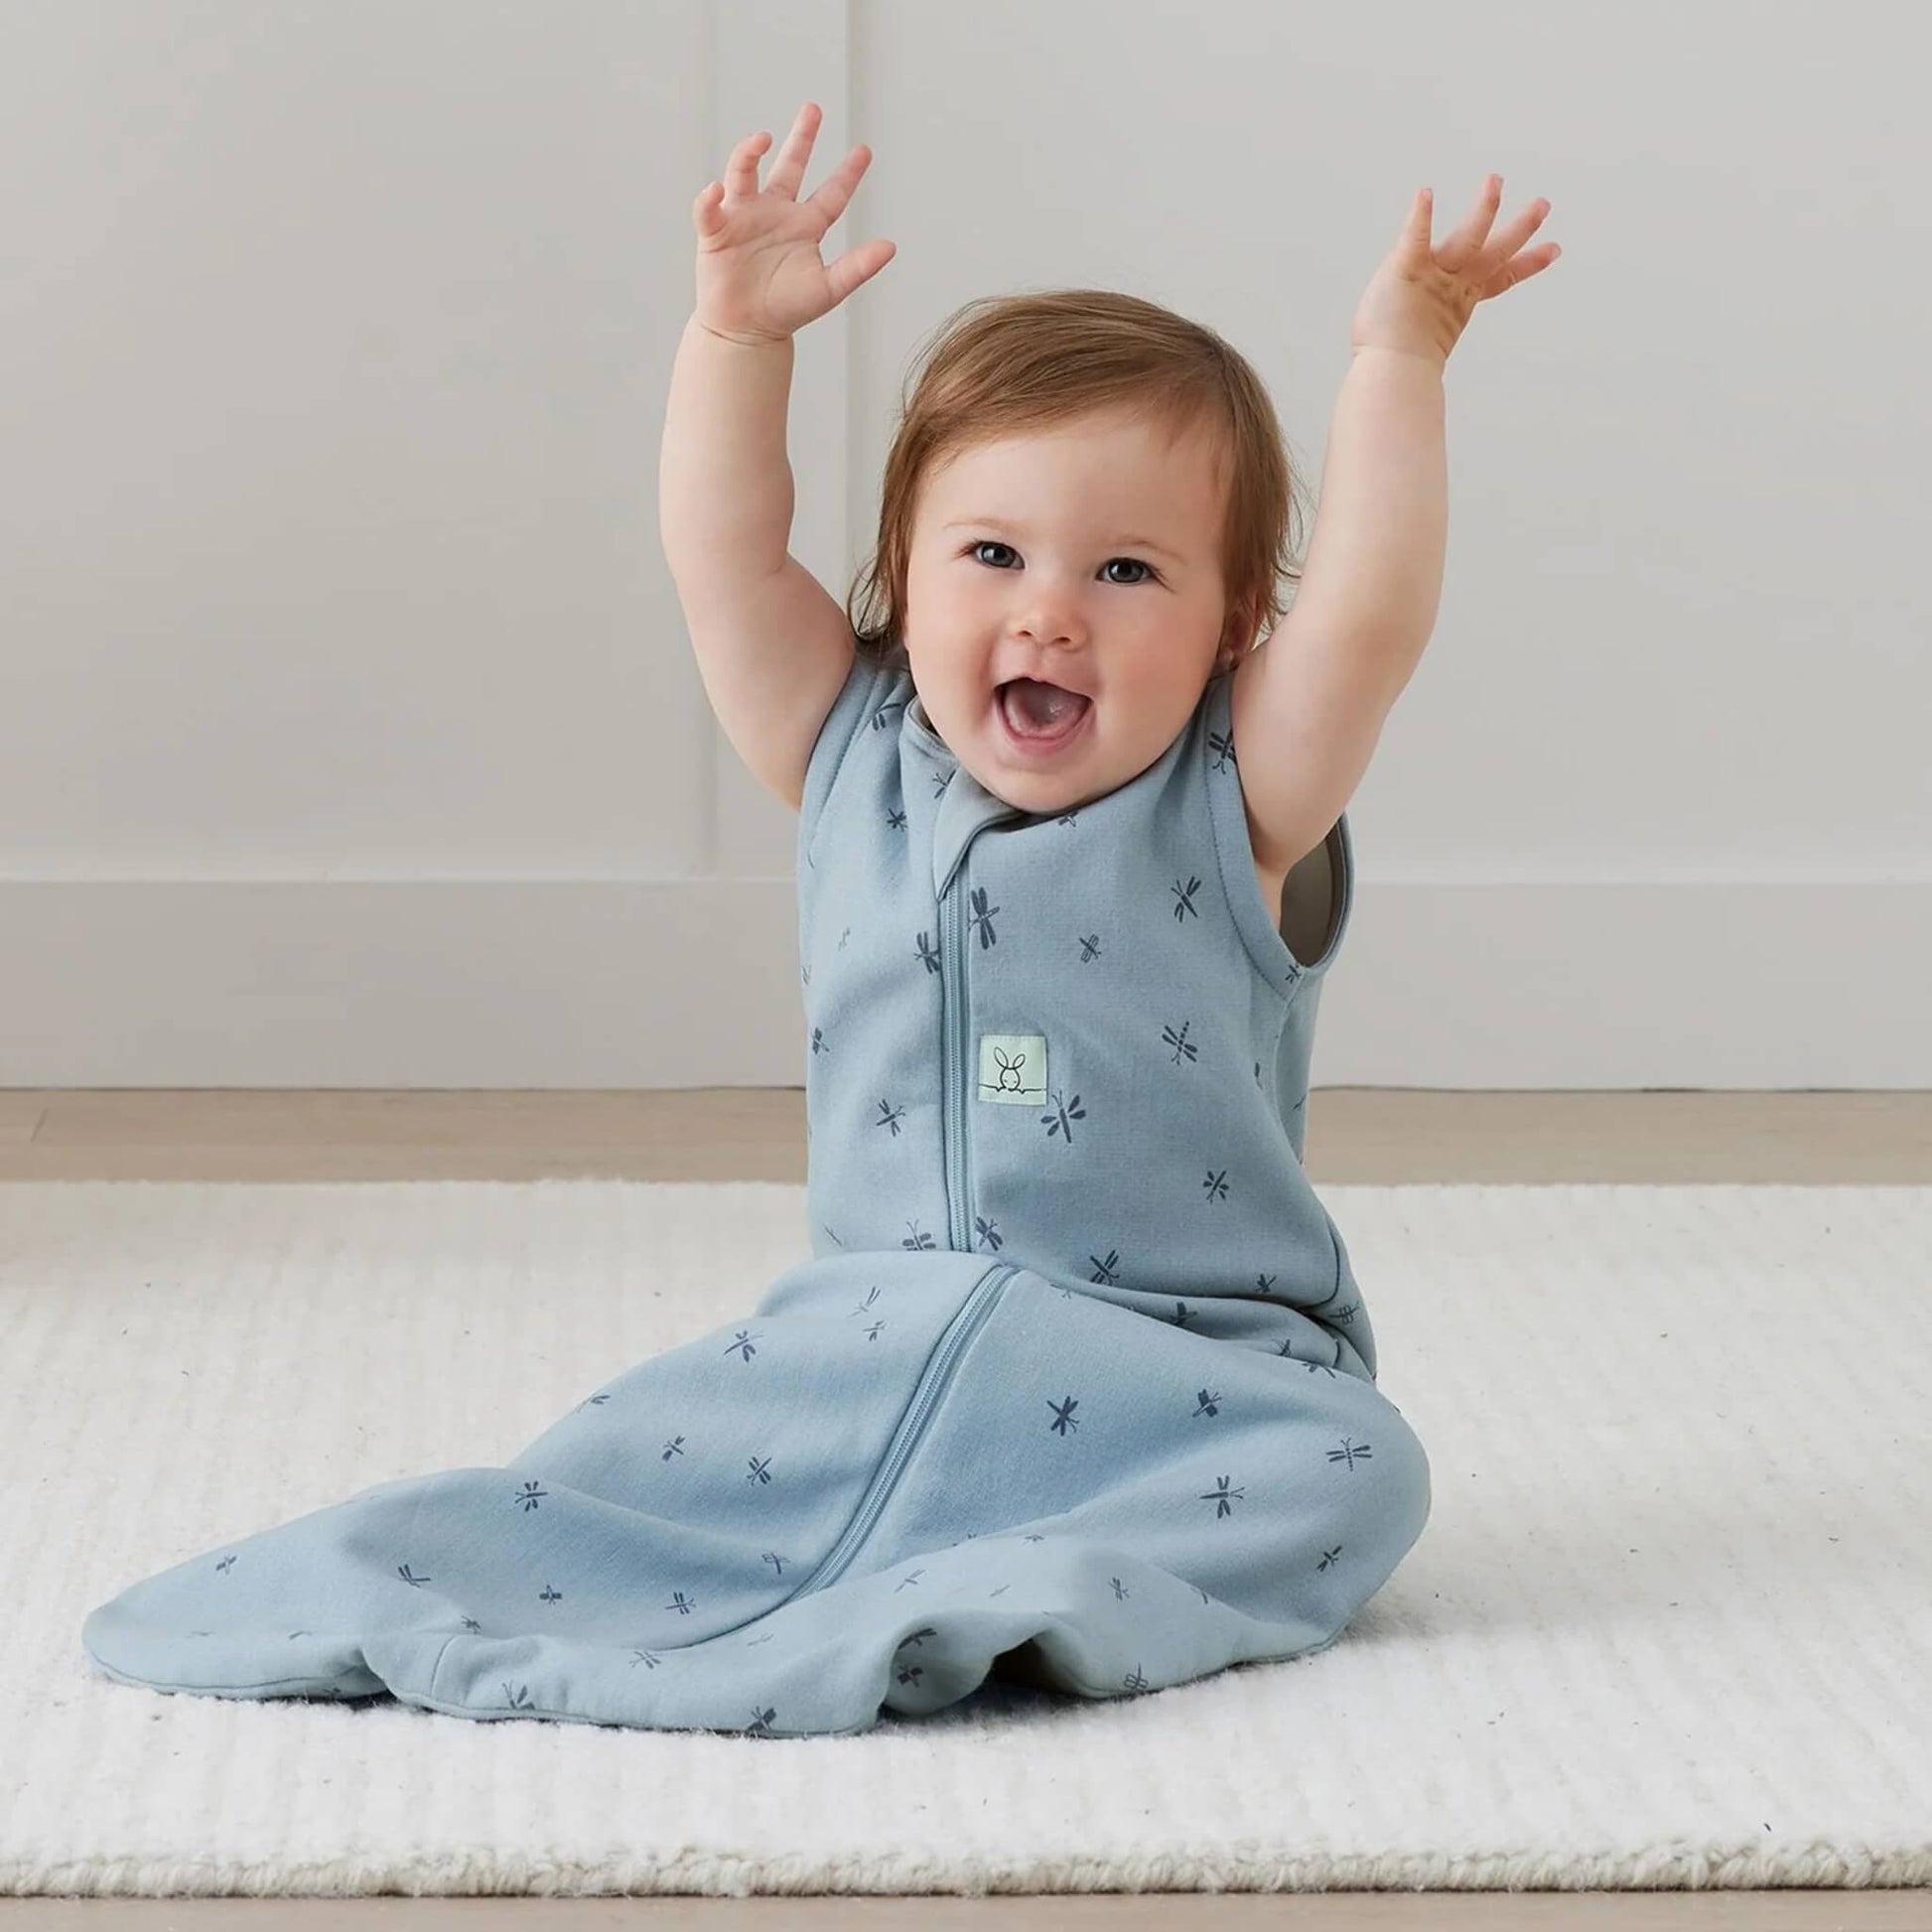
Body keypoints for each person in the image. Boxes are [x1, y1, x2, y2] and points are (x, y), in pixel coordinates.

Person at [80, 102, 1558, 1737]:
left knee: (1359, 1469)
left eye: (1129, 571)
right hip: (857, 1342)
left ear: (1228, 634)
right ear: (901, 585)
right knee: (623, 1460)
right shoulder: (846, 752)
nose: (1047, 609)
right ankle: (703, 1586)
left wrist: (1398, 355)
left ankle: (1021, 1589)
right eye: (989, 552)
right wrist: (734, 335)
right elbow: (719, 550)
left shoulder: (1236, 799)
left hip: (1179, 1370)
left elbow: (1367, 612)